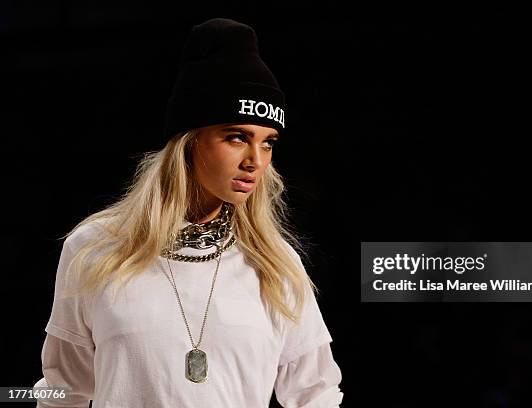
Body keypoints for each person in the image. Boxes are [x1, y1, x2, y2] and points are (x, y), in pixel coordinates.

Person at [34, 18, 343, 407]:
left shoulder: (276, 264)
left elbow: (317, 394)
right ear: (189, 141)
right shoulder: (96, 248)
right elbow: (64, 391)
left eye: (268, 143)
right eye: (236, 137)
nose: (255, 160)